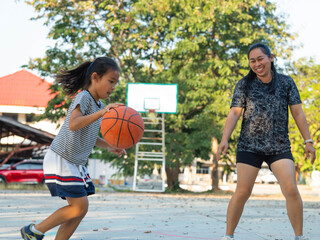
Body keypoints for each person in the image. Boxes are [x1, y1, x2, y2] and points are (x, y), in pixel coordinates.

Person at [217, 43, 316, 240]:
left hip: (279, 146)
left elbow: (297, 112)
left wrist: (308, 140)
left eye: (260, 59)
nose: (256, 64)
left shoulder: (286, 83)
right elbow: (235, 112)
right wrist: (224, 139)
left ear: (271, 57)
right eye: (252, 61)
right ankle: (228, 236)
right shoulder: (244, 84)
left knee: (290, 188)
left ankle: (299, 236)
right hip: (249, 146)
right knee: (243, 191)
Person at [21, 57, 126, 240]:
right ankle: (34, 231)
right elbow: (74, 124)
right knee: (79, 206)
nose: (113, 87)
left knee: (80, 210)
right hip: (61, 157)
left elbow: (90, 135)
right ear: (95, 77)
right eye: (111, 81)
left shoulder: (98, 105)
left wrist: (110, 146)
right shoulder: (84, 97)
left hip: (74, 162)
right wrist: (102, 113)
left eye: (115, 83)